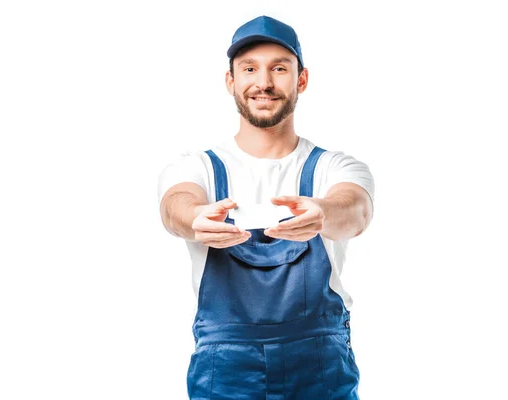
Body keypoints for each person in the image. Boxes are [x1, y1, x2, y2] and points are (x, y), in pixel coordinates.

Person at [158, 15, 375, 400]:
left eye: (279, 68)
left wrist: (322, 212)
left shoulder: (335, 167)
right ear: (231, 82)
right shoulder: (197, 166)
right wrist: (194, 217)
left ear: (301, 80)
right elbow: (175, 205)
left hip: (319, 369)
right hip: (224, 372)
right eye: (249, 69)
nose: (264, 83)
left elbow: (355, 209)